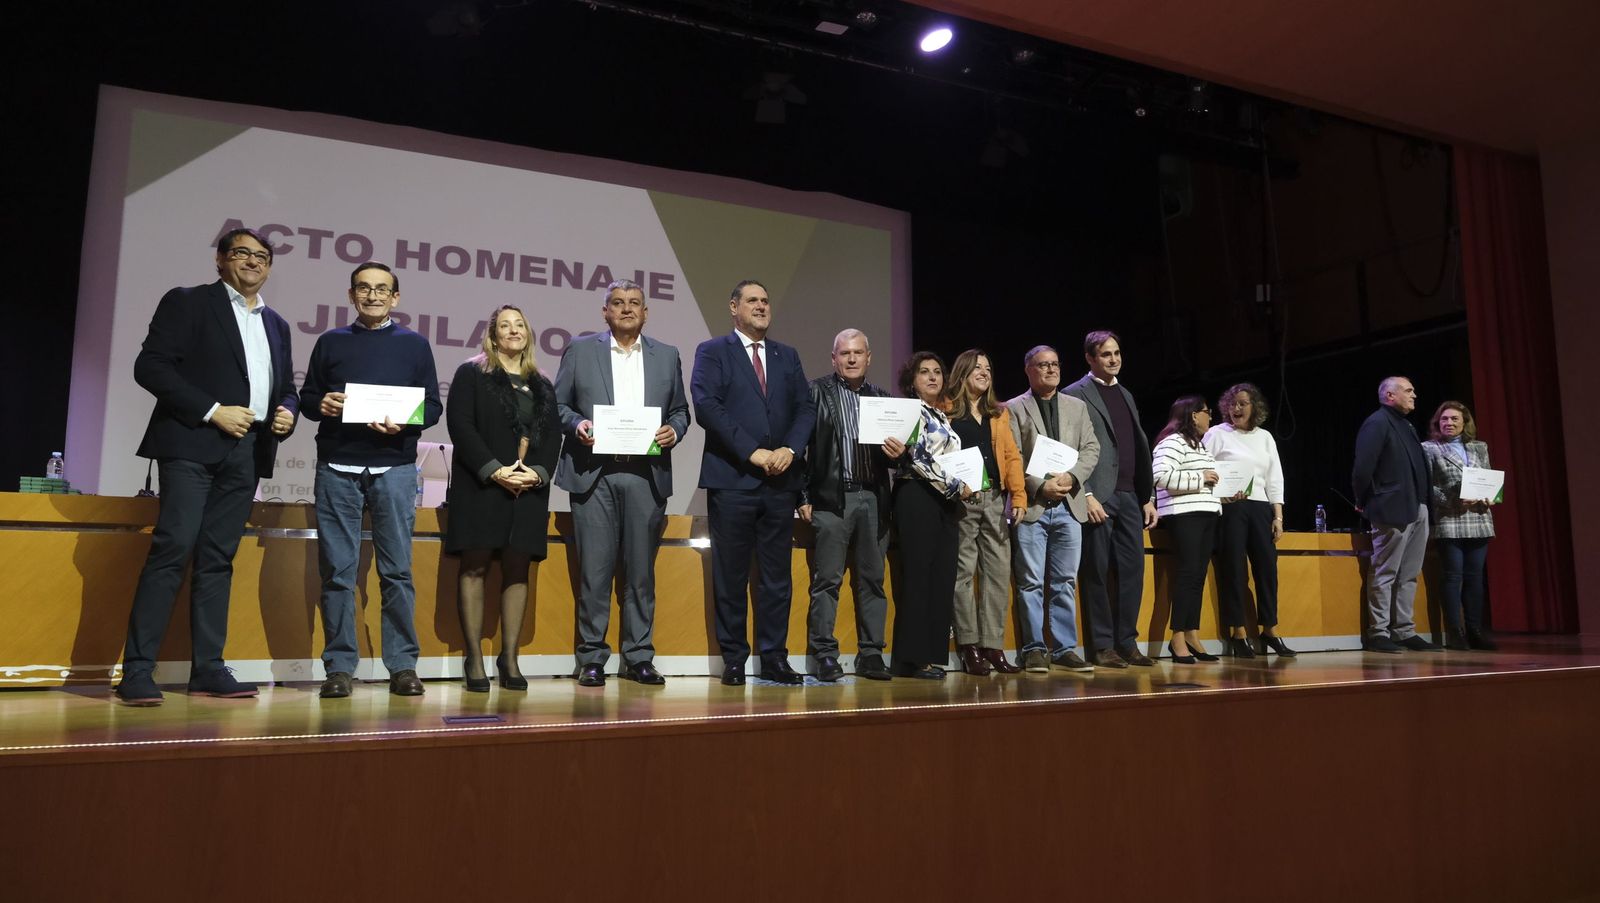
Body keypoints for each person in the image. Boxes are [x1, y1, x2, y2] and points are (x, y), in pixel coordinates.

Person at [114, 228, 298, 705]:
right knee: (173, 547)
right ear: (220, 260)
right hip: (192, 445)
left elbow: (286, 388)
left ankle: (209, 669)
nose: (253, 262)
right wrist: (213, 410)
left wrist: (287, 412)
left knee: (218, 559)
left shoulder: (277, 324)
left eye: (262, 256)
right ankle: (137, 670)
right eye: (242, 253)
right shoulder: (188, 302)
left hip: (248, 451)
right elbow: (150, 367)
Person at [300, 262, 443, 697]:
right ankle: (339, 668)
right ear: (351, 295)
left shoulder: (415, 345)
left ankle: (402, 666)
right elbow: (308, 398)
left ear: (395, 297)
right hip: (338, 466)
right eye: (364, 288)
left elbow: (432, 407)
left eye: (382, 289)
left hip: (394, 467)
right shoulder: (331, 341)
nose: (373, 295)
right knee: (337, 572)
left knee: (397, 571)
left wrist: (405, 422)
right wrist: (321, 404)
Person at [555, 279, 691, 688]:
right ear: (605, 311)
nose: (627, 309)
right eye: (618, 302)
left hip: (645, 476)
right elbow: (557, 405)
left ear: (645, 312)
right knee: (594, 573)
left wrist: (674, 430)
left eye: (634, 303)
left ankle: (639, 657)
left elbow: (681, 411)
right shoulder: (581, 350)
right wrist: (577, 424)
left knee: (640, 575)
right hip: (594, 475)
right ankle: (592, 658)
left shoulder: (667, 355)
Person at [691, 280, 816, 686]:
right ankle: (734, 659)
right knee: (731, 575)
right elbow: (707, 406)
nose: (761, 306)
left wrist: (790, 450)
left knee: (777, 578)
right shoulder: (712, 351)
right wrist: (753, 452)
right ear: (734, 307)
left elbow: (805, 409)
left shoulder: (787, 355)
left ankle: (775, 657)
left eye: (765, 300)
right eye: (752, 300)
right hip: (732, 481)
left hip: (780, 483)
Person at [445, 304, 561, 692]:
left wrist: (538, 472)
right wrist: (495, 470)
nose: (514, 331)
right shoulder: (471, 374)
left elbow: (553, 436)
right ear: (493, 336)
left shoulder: (543, 383)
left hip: (528, 490)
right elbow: (461, 425)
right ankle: (474, 658)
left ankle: (509, 657)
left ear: (528, 334)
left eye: (520, 325)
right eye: (505, 326)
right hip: (482, 487)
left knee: (517, 569)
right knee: (474, 567)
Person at [798, 329, 902, 682]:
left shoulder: (882, 399)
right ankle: (825, 655)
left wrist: (899, 454)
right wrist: (802, 496)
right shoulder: (816, 392)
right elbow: (799, 447)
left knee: (873, 580)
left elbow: (899, 459)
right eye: (845, 353)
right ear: (834, 358)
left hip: (873, 498)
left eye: (858, 353)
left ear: (869, 357)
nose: (852, 358)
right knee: (827, 581)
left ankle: (871, 654)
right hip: (831, 499)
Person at [1063, 330, 1158, 668]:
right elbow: (1072, 448)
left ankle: (1127, 642)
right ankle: (1102, 645)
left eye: (1117, 353)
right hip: (1098, 495)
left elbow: (1135, 446)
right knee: (1097, 571)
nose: (1114, 359)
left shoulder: (1126, 393)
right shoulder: (1074, 394)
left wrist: (1147, 496)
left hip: (1130, 495)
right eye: (1106, 354)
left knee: (1133, 570)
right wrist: (1086, 493)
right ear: (1090, 358)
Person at [1006, 345, 1101, 673]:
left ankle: (1064, 649)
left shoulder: (1077, 407)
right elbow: (1012, 456)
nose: (1051, 369)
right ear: (1028, 370)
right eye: (1043, 365)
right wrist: (1038, 486)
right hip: (1033, 506)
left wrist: (1072, 478)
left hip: (1069, 505)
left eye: (1055, 364)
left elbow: (1091, 448)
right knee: (1030, 581)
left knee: (1065, 581)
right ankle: (1034, 649)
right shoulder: (1013, 408)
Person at [890, 352, 973, 679]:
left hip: (945, 501)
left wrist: (969, 484)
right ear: (912, 381)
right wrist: (957, 486)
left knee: (942, 577)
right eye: (924, 372)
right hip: (917, 496)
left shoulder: (941, 414)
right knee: (918, 577)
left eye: (937, 371)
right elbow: (919, 458)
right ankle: (910, 659)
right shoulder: (909, 412)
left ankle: (931, 655)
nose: (933, 377)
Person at [944, 349, 1026, 675]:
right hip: (962, 499)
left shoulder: (998, 413)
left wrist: (1018, 496)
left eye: (988, 368)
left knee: (997, 572)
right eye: (977, 367)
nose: (984, 372)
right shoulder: (945, 411)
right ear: (962, 372)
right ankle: (969, 646)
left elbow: (1012, 456)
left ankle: (993, 646)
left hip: (994, 497)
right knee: (963, 573)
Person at [1203, 382, 1293, 658]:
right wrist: (1219, 495)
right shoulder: (1217, 433)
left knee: (1267, 568)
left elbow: (1275, 477)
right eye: (1232, 403)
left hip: (1260, 507)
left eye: (1242, 403)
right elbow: (1203, 466)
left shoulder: (1265, 437)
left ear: (1255, 407)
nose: (1236, 408)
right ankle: (1238, 632)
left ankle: (1270, 630)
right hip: (1230, 508)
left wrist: (1278, 516)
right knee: (1233, 568)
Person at [1352, 376, 1440, 653]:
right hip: (1392, 508)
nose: (1414, 395)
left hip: (1418, 507)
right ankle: (1378, 632)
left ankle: (1404, 630)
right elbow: (1363, 467)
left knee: (1409, 574)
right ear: (1390, 395)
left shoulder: (1406, 425)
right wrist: (1363, 500)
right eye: (1408, 390)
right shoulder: (1377, 423)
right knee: (1386, 571)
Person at [1152, 396, 1223, 663]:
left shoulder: (1201, 446)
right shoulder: (1172, 442)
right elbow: (1160, 476)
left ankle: (1191, 632)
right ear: (1193, 415)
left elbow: (1208, 482)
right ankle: (1177, 636)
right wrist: (1200, 477)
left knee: (1197, 575)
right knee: (1187, 572)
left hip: (1207, 513)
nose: (1210, 417)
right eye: (1207, 412)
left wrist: (1225, 494)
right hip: (1184, 515)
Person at [1421, 401, 1498, 651]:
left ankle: (1475, 631)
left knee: (1475, 577)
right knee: (1453, 576)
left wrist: (1490, 496)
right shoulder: (1429, 448)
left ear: (1465, 423)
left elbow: (1488, 477)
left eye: (1454, 419)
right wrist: (1452, 500)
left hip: (1479, 518)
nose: (1449, 423)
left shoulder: (1479, 447)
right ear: (1437, 423)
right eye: (1444, 419)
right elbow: (1427, 487)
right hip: (1450, 519)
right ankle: (1455, 632)